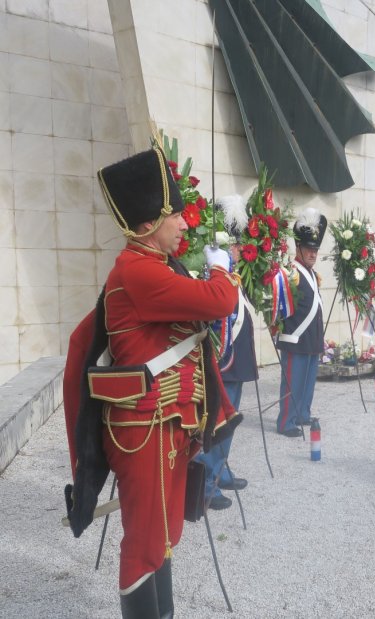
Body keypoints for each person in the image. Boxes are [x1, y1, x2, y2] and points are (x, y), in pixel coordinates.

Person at [63, 145, 241, 617]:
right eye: (175, 216)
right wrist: (222, 265)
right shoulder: (139, 272)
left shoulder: (155, 267)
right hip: (143, 429)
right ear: (146, 224)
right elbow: (220, 299)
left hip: (167, 425)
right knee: (144, 544)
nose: (184, 224)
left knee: (162, 537)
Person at [195, 235, 257, 510]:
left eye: (239, 245)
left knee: (228, 427)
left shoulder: (233, 277)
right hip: (223, 361)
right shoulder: (214, 277)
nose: (239, 250)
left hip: (236, 361)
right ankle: (206, 484)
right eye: (234, 245)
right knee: (217, 426)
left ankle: (220, 472)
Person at [275, 208, 326, 437]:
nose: (313, 254)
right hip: (295, 336)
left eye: (315, 249)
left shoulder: (313, 274)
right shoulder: (290, 271)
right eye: (308, 249)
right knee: (292, 383)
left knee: (307, 382)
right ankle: (286, 422)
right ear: (298, 248)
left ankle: (303, 413)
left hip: (311, 338)